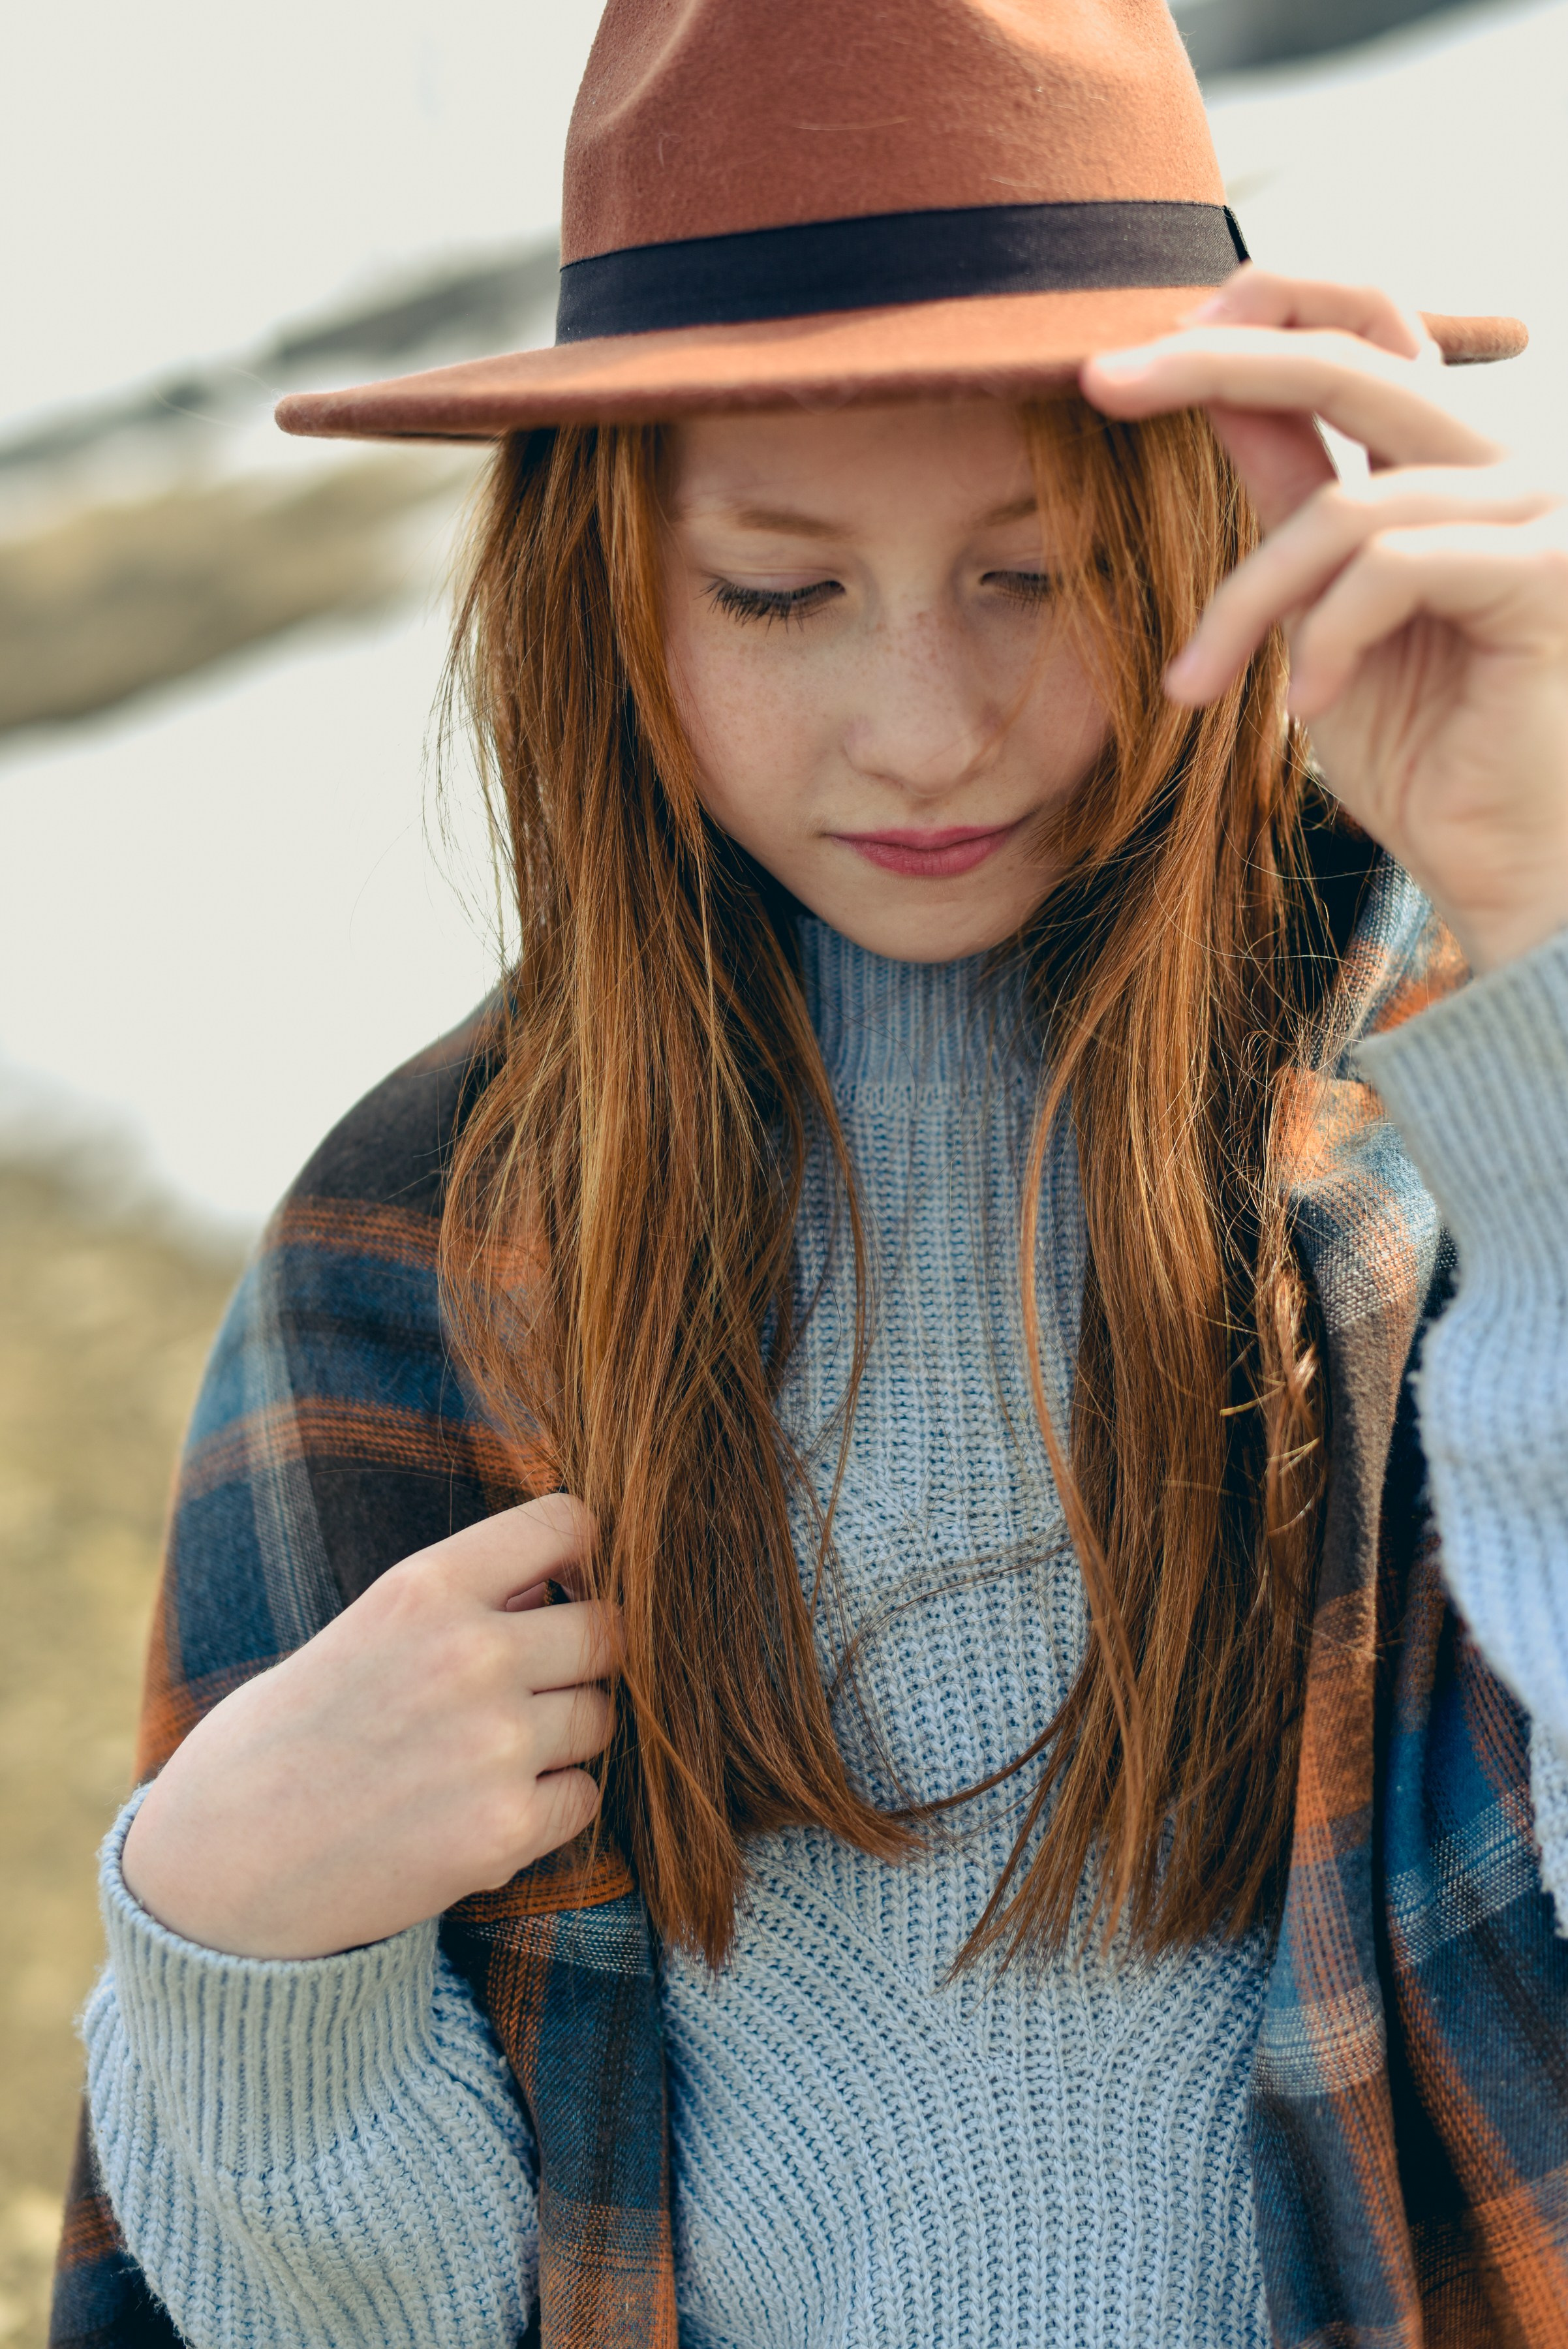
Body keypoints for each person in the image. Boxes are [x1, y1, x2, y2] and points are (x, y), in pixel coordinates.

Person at [52, 0, 1568, 2343]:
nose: (926, 726)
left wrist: (1544, 949)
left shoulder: (1456, 1102)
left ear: (1206, 523)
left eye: (1035, 571)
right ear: (608, 593)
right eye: (779, 592)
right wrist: (252, 1956)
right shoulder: (424, 1249)